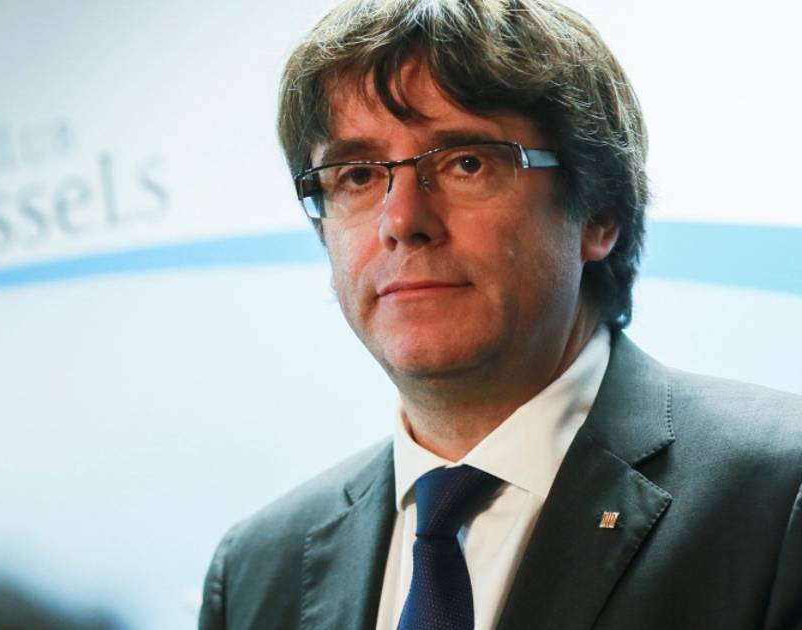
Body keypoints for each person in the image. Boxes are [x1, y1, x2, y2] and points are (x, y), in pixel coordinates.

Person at [198, 1, 802, 629]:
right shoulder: (256, 571)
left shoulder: (782, 496)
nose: (401, 221)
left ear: (598, 215)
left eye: (467, 162)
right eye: (355, 176)